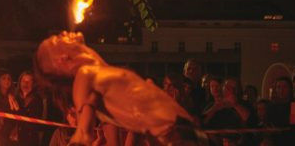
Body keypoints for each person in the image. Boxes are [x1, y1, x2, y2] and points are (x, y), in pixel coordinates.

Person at [35, 31, 209, 145]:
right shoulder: (85, 76)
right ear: (61, 59)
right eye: (56, 40)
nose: (63, 33)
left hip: (190, 135)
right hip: (177, 139)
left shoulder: (101, 74)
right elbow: (82, 135)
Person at [14, 70, 44, 146]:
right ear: (20, 82)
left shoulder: (37, 100)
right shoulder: (15, 97)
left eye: (29, 81)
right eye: (24, 81)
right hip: (14, 139)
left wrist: (19, 110)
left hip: (30, 140)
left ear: (33, 84)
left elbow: (34, 122)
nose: (26, 84)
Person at [0, 68, 17, 146]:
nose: (7, 81)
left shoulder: (13, 97)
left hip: (9, 135)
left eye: (9, 79)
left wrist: (15, 128)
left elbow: (17, 114)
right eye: (4, 78)